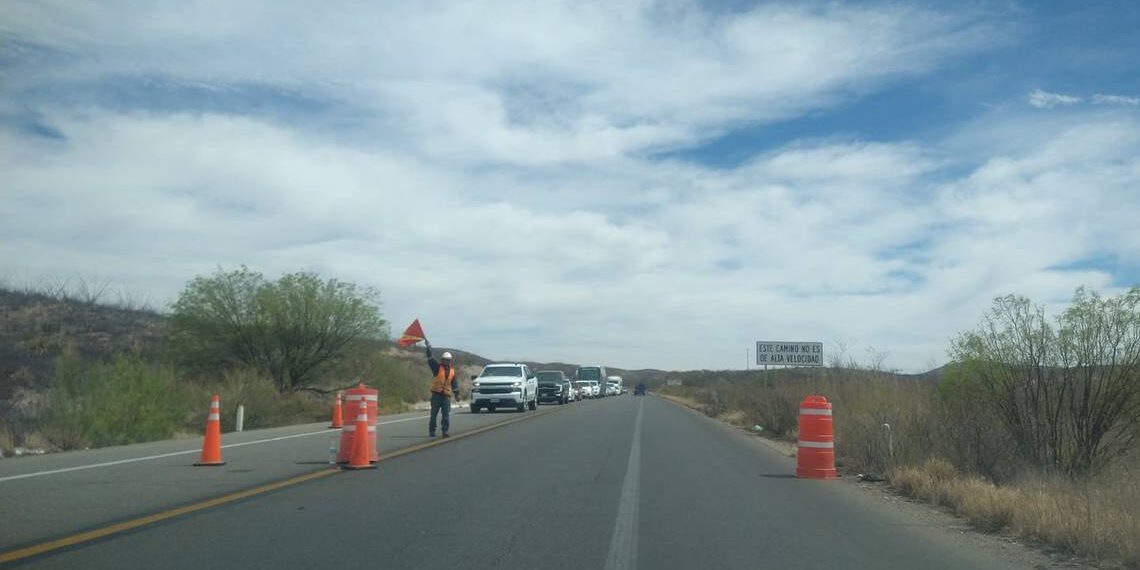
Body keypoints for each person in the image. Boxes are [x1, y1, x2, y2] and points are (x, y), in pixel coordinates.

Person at [425, 341, 458, 438]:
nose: (447, 361)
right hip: (436, 395)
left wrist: (457, 394)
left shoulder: (452, 371)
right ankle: (432, 431)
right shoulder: (437, 367)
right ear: (442, 360)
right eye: (445, 360)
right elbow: (430, 359)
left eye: (448, 360)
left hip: (446, 396)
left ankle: (445, 431)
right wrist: (428, 348)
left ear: (450, 361)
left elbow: (454, 383)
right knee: (433, 414)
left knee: (446, 415)